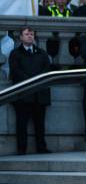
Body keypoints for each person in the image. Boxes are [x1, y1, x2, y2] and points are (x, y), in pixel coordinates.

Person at [8, 27, 52, 155]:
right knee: (22, 124)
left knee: (40, 124)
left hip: (39, 94)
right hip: (23, 94)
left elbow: (46, 68)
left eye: (32, 34)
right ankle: (21, 149)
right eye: (27, 34)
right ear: (21, 37)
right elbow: (15, 71)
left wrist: (37, 80)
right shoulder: (15, 53)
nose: (30, 36)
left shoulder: (42, 53)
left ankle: (41, 147)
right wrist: (31, 80)